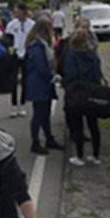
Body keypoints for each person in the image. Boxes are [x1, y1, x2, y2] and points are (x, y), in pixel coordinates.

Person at [62, 29, 104, 166]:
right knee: (93, 125)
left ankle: (80, 156)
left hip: (77, 94)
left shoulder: (71, 56)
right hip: (92, 92)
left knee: (78, 126)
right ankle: (96, 155)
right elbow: (98, 74)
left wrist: (62, 83)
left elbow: (71, 76)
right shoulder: (93, 55)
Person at [25, 18, 64, 155]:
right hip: (38, 83)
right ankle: (35, 141)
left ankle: (49, 138)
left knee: (45, 113)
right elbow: (41, 67)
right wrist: (53, 77)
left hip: (41, 83)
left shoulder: (39, 45)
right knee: (39, 114)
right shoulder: (37, 46)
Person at [4, 3, 34, 117]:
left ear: (24, 12)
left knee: (25, 82)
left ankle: (22, 105)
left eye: (17, 12)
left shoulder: (32, 25)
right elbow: (8, 40)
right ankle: (13, 105)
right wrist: (11, 53)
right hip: (15, 55)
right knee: (13, 81)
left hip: (26, 55)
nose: (15, 14)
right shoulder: (11, 25)